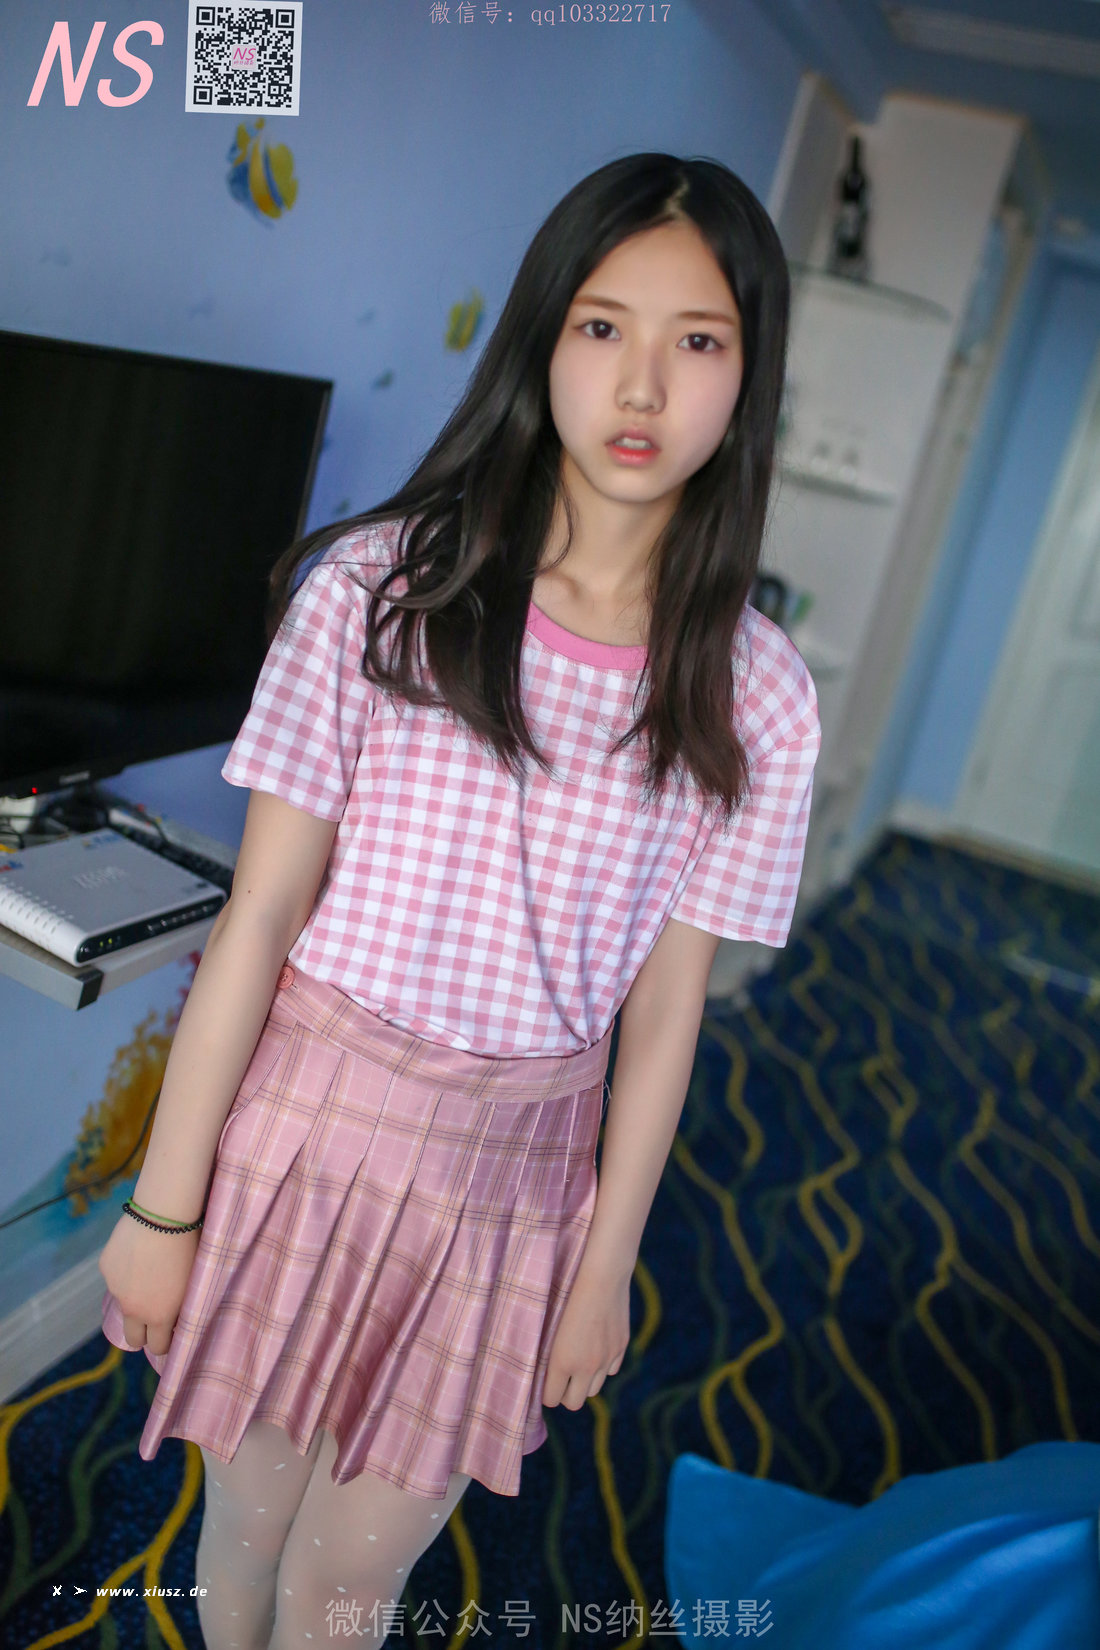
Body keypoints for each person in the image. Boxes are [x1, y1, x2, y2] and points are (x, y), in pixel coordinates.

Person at [98, 151, 821, 1649]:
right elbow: (257, 922)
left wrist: (604, 1266)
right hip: (303, 1134)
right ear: (544, 338)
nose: (642, 384)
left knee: (350, 1584)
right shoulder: (382, 591)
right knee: (246, 1529)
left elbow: (667, 1011)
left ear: (748, 380)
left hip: (512, 1184)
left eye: (698, 340)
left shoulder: (758, 691)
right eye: (602, 326)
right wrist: (163, 1205)